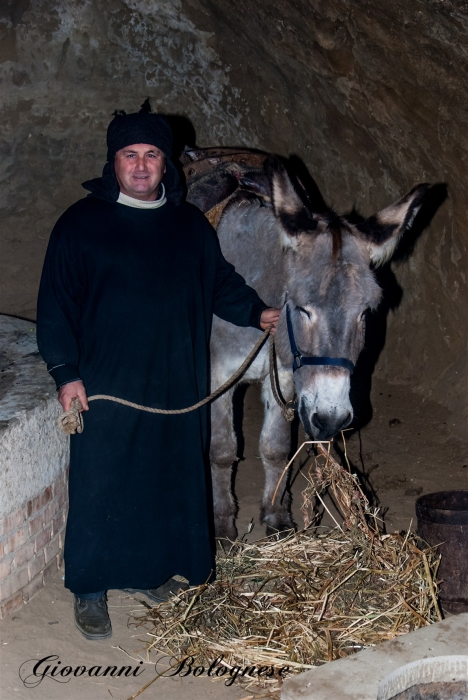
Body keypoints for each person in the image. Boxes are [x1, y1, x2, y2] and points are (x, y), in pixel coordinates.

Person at [36, 101, 280, 640]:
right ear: (113, 161)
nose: (142, 165)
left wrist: (258, 312)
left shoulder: (188, 224)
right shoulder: (81, 225)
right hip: (107, 383)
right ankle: (92, 588)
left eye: (151, 154)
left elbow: (219, 283)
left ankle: (147, 574)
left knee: (162, 478)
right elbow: (55, 305)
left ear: (166, 163)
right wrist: (66, 373)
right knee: (103, 482)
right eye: (130, 154)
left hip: (175, 380)